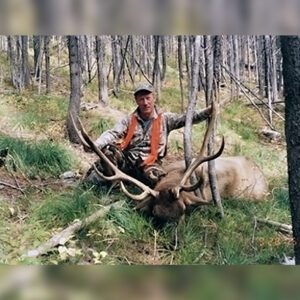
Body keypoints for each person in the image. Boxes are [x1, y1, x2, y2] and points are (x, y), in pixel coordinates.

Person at [84, 83, 212, 188]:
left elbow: (188, 118)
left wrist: (208, 111)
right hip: (127, 162)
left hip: (150, 164)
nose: (145, 103)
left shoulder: (165, 119)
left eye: (148, 98)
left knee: (160, 181)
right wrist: (96, 144)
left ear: (153, 98)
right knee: (108, 154)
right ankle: (115, 186)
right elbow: (112, 133)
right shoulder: (128, 120)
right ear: (136, 101)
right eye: (141, 99)